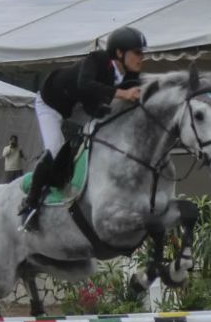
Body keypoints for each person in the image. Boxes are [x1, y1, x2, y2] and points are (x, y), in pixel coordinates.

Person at [18, 26, 147, 230]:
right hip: (51, 103)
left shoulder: (130, 76)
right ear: (120, 53)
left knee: (106, 130)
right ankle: (30, 204)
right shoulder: (96, 60)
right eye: (137, 53)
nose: (141, 58)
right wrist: (122, 94)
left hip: (80, 106)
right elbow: (85, 84)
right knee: (54, 150)